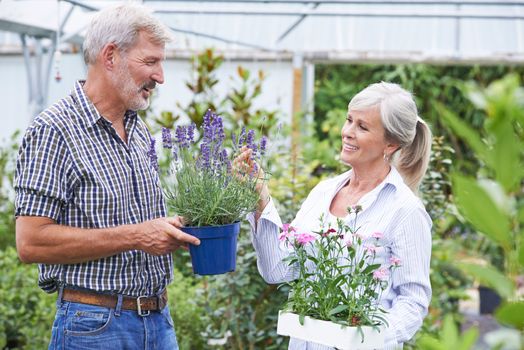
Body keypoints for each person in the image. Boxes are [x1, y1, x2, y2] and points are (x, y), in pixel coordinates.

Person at [14, 4, 200, 349]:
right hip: (95, 327)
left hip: (159, 321)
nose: (160, 76)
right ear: (110, 56)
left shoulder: (138, 128)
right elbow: (30, 242)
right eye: (150, 62)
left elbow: (141, 226)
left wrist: (178, 227)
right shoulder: (54, 130)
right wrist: (138, 236)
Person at [241, 82, 432, 349]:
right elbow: (278, 269)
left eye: (362, 127)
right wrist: (260, 197)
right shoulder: (323, 192)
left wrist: (365, 339)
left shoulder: (405, 210)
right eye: (349, 120)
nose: (347, 133)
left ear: (391, 144)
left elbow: (413, 302)